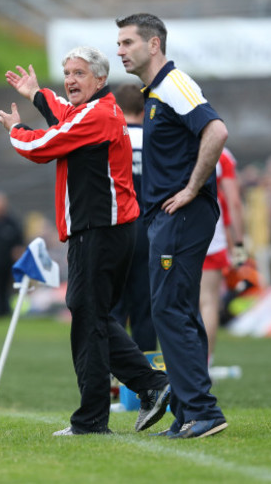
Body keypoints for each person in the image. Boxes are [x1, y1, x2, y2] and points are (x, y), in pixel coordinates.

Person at [0, 47, 170, 436]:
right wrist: (36, 94)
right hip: (98, 230)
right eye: (67, 72)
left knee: (90, 321)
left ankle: (98, 416)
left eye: (79, 73)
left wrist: (15, 131)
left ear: (100, 80)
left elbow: (41, 147)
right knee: (90, 315)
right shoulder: (93, 111)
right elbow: (62, 112)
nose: (71, 80)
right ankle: (151, 386)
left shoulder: (98, 115)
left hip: (101, 231)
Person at [117, 13, 228, 439]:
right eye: (120, 43)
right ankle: (188, 412)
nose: (121, 51)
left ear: (154, 44)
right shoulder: (155, 92)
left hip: (181, 215)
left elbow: (216, 131)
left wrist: (191, 188)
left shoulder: (175, 84)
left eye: (128, 43)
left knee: (169, 310)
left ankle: (202, 411)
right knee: (177, 310)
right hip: (168, 218)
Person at [109, 83, 158, 352]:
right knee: (145, 310)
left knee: (113, 309)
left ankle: (113, 377)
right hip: (150, 231)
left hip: (117, 228)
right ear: (144, 108)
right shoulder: (155, 140)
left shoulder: (109, 139)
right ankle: (147, 383)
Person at [200, 147, 245, 363]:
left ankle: (183, 366)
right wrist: (239, 242)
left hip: (175, 230)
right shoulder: (223, 154)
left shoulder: (173, 140)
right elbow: (234, 201)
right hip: (211, 234)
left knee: (181, 303)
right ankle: (204, 365)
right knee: (208, 301)